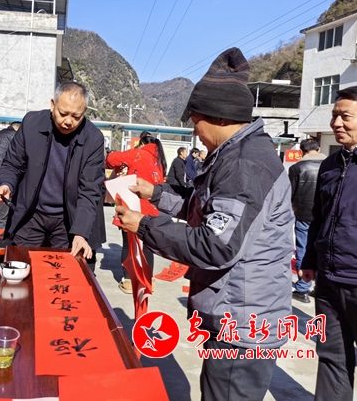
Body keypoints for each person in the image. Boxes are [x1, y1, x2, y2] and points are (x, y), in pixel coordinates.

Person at [115, 48, 294, 401]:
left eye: (196, 122)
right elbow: (203, 208)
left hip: (242, 323)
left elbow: (215, 244)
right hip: (234, 310)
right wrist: (154, 193)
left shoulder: (244, 165)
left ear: (221, 117)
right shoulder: (232, 155)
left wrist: (145, 226)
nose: (195, 132)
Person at [300, 86, 357, 400]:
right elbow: (318, 217)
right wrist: (309, 260)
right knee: (331, 358)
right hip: (328, 281)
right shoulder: (330, 164)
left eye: (346, 116)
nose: (336, 123)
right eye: (334, 116)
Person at [0, 81, 105, 259]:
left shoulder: (93, 138)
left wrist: (81, 232)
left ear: (84, 112)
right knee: (22, 265)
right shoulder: (32, 124)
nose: (68, 121)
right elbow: (13, 164)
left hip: (68, 219)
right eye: (63, 113)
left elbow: (90, 190)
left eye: (76, 116)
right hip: (31, 214)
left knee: (64, 270)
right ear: (53, 104)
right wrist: (7, 184)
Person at [105, 131, 167, 293]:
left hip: (132, 206)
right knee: (147, 246)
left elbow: (111, 159)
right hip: (152, 209)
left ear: (142, 143)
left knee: (129, 244)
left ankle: (128, 281)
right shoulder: (159, 160)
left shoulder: (138, 154)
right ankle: (147, 280)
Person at [288, 137, 326, 303]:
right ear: (318, 149)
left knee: (303, 248)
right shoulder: (330, 165)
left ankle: (303, 288)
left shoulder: (297, 167)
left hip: (304, 214)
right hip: (326, 215)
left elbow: (289, 193)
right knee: (324, 250)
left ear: (301, 151)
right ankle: (320, 286)